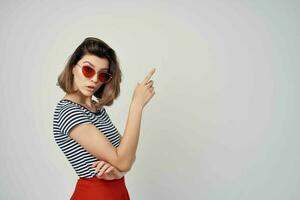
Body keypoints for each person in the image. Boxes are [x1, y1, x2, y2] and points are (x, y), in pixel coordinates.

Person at [53, 37, 156, 199]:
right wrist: (137, 105)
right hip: (96, 194)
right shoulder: (68, 112)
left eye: (102, 75)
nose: (94, 79)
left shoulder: (96, 108)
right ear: (73, 68)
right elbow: (124, 161)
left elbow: (127, 155)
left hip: (117, 191)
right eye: (88, 70)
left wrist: (119, 173)